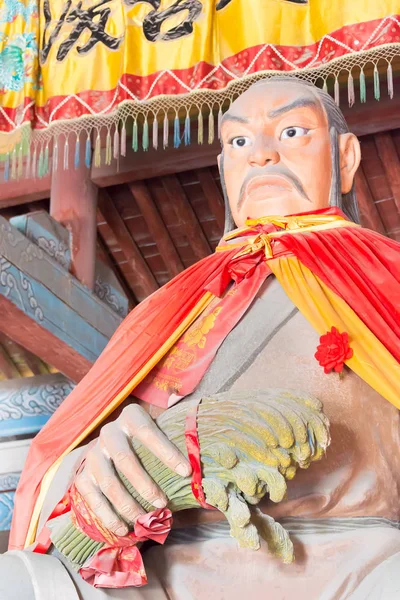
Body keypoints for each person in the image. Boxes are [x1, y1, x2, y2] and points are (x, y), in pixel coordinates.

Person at [2, 77, 400, 600]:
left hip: (356, 561)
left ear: (345, 158)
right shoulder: (171, 307)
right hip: (163, 572)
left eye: (292, 130)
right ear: (224, 172)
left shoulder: (387, 277)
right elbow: (59, 455)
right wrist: (91, 467)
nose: (261, 155)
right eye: (238, 142)